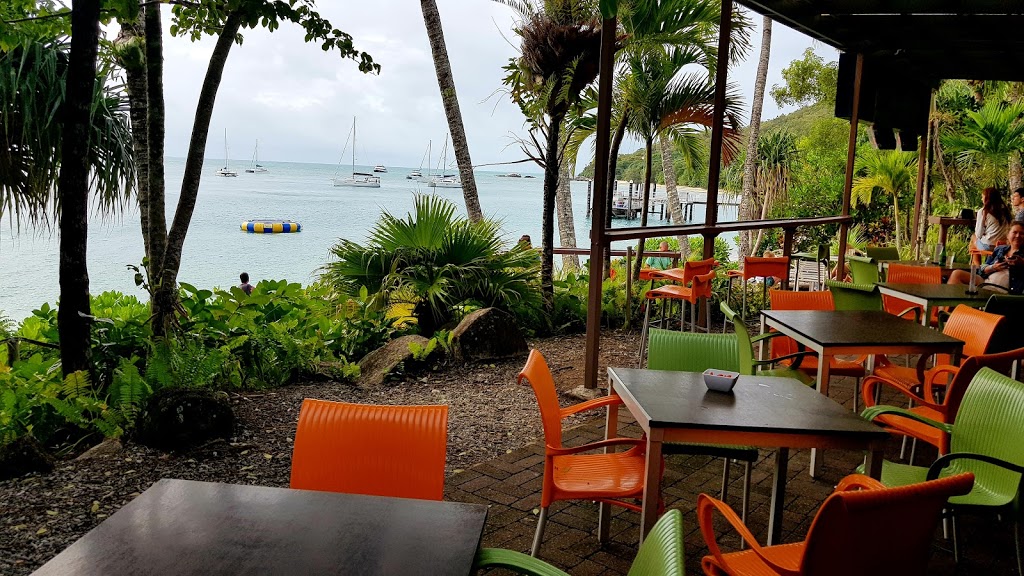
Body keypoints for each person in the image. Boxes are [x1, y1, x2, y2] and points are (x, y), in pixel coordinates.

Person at [949, 221, 1024, 294]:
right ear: (1008, 235)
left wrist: (1022, 263)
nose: (1018, 236)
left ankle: (956, 304)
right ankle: (952, 305)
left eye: (1021, 233)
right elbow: (983, 267)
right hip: (986, 282)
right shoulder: (1000, 249)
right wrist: (993, 267)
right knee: (957, 274)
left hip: (1003, 290)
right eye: (1015, 232)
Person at [973, 187, 1013, 252]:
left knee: (973, 238)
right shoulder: (1006, 211)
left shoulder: (983, 211)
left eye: (982, 197)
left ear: (987, 199)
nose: (981, 199)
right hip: (1004, 245)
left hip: (989, 245)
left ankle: (976, 262)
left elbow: (978, 234)